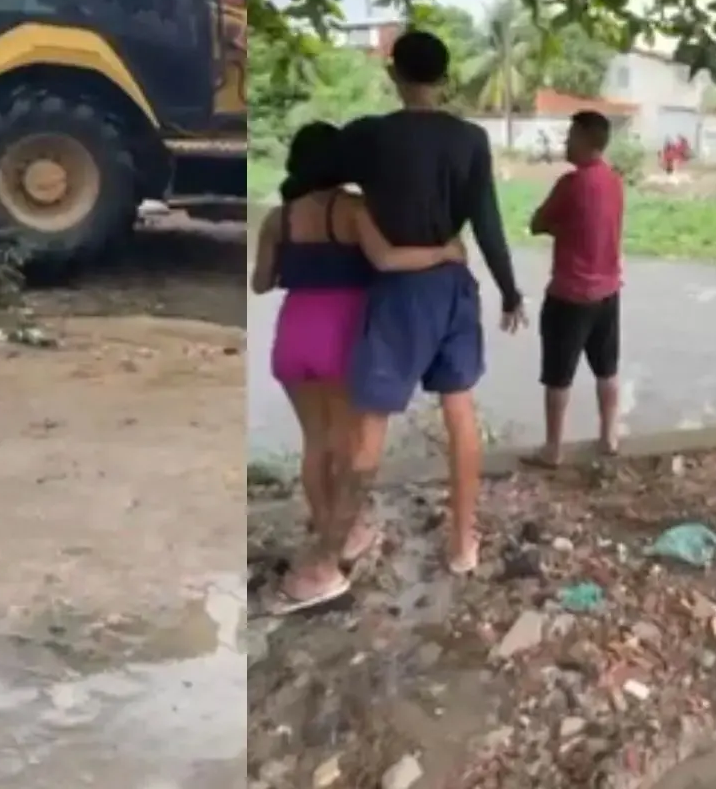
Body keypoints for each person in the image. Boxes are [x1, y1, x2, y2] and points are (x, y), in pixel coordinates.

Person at [328, 31, 525, 577]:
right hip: (454, 286)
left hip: (396, 290)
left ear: (393, 75)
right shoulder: (470, 140)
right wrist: (510, 290)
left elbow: (318, 177)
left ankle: (344, 539)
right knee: (459, 411)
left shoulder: (370, 137)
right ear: (443, 79)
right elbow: (487, 223)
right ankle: (462, 544)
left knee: (372, 423)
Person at [251, 121, 467, 612]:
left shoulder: (276, 218)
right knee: (350, 446)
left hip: (293, 335)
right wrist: (445, 251)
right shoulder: (349, 209)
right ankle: (335, 547)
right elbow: (388, 261)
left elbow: (261, 283)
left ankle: (337, 532)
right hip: (342, 336)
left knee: (315, 444)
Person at [520, 111, 625, 466]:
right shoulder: (614, 182)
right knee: (607, 369)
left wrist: (559, 229)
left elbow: (536, 223)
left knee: (558, 376)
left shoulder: (571, 184)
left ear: (585, 141)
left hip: (570, 294)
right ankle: (609, 436)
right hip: (608, 291)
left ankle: (553, 449)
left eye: (570, 136)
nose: (566, 142)